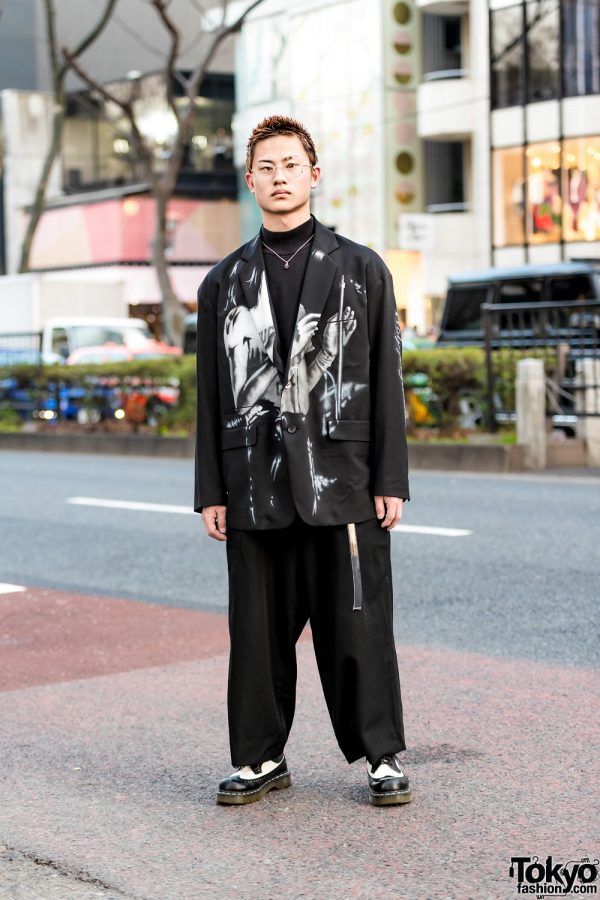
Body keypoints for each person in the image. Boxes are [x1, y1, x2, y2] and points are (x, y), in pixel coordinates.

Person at [194, 115, 411, 807]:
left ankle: (382, 756)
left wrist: (391, 479)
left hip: (340, 479)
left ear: (314, 175)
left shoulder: (360, 268)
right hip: (251, 480)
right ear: (251, 179)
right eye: (267, 166)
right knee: (255, 633)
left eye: (292, 164)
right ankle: (260, 758)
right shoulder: (223, 282)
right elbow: (209, 397)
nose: (280, 176)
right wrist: (210, 491)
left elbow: (386, 381)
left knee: (359, 623)